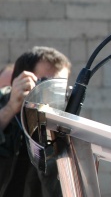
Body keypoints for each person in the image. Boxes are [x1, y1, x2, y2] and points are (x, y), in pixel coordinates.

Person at [0, 46, 72, 197]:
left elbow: (63, 191)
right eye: (46, 83)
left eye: (60, 87)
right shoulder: (3, 104)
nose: (54, 95)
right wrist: (10, 109)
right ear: (21, 81)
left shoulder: (64, 125)